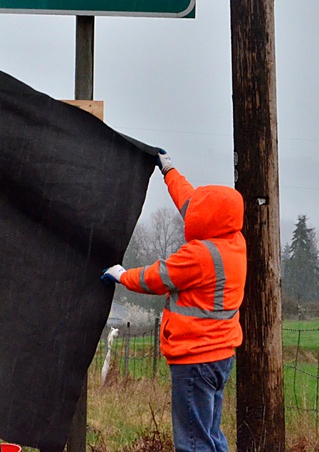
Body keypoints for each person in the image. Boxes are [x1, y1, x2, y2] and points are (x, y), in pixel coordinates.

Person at [101, 150, 246, 452]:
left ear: (207, 219)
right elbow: (189, 202)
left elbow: (156, 278)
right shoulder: (233, 242)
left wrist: (122, 275)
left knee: (193, 443)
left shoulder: (199, 256)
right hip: (220, 357)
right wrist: (169, 171)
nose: (189, 212)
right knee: (210, 435)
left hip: (195, 358)